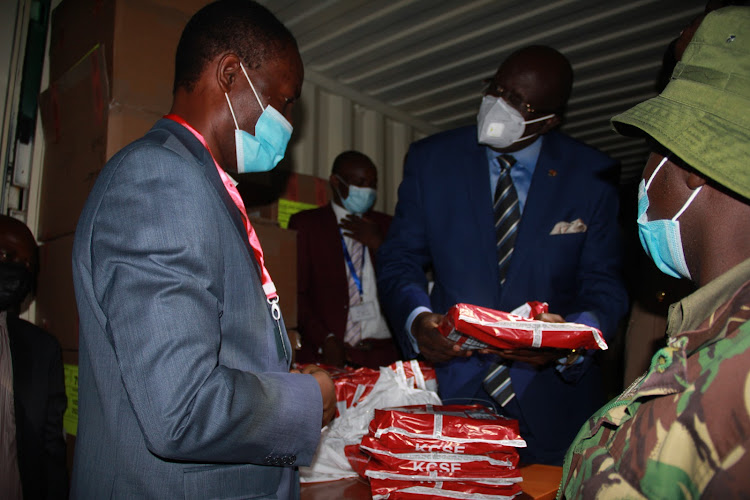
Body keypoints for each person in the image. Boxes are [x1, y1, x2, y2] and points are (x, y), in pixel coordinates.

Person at [70, 1, 335, 498]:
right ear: (231, 75)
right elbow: (181, 405)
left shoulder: (201, 185)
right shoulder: (161, 181)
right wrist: (306, 399)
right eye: (285, 99)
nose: (290, 123)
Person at [376, 45, 629, 465]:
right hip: (453, 389)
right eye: (496, 88)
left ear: (549, 119)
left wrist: (567, 341)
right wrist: (417, 320)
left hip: (552, 403)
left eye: (518, 101)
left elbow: (605, 285)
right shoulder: (432, 161)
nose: (498, 104)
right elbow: (400, 257)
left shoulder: (591, 175)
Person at [558, 6, 750, 497]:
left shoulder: (713, 382)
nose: (642, 179)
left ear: (690, 167)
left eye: (651, 151)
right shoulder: (714, 328)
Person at [288, 151, 399, 369]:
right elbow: (296, 294)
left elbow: (406, 279)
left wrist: (380, 246)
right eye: (359, 182)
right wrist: (325, 339)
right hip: (331, 356)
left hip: (384, 357)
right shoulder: (307, 225)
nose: (367, 189)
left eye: (372, 184)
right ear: (335, 182)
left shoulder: (388, 226)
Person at [0, 215, 68, 500]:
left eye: (28, 265)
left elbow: (51, 454)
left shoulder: (42, 350)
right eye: (7, 255)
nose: (19, 270)